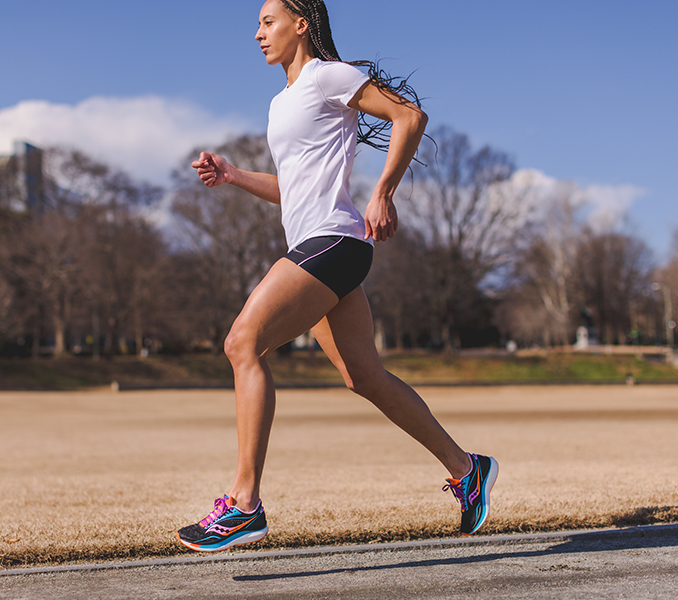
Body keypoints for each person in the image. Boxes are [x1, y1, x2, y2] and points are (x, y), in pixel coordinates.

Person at [177, 0, 498, 552]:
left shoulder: (329, 75)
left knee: (242, 343)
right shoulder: (283, 102)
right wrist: (233, 176)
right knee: (364, 377)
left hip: (337, 243)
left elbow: (409, 116)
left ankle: (244, 505)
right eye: (257, 23)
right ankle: (467, 469)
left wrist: (383, 192)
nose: (257, 33)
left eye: (268, 21)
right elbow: (294, 188)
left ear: (301, 24)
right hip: (316, 245)